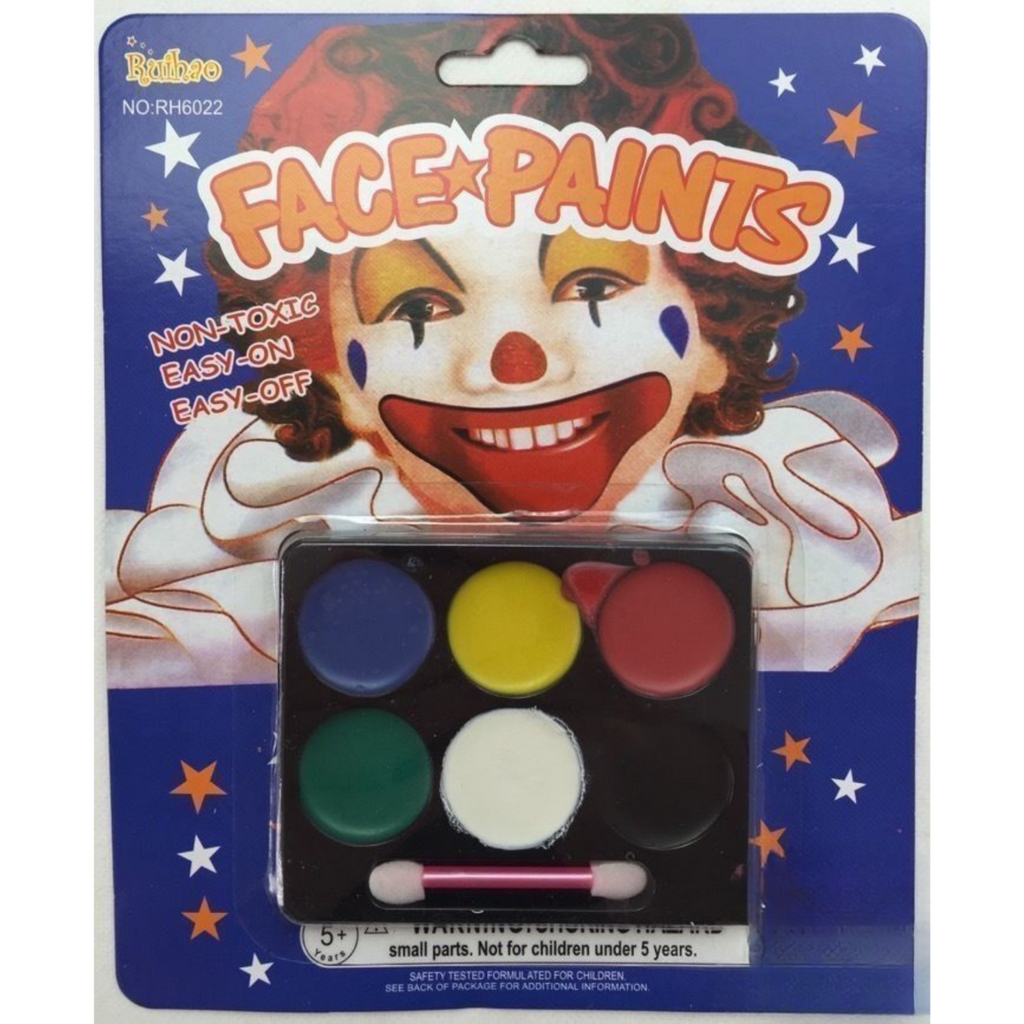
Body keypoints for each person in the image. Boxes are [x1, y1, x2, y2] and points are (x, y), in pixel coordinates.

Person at [106, 15, 919, 686]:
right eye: (419, 306)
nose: (514, 361)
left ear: (712, 336)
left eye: (593, 285)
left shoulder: (811, 555)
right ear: (332, 372)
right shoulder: (220, 592)